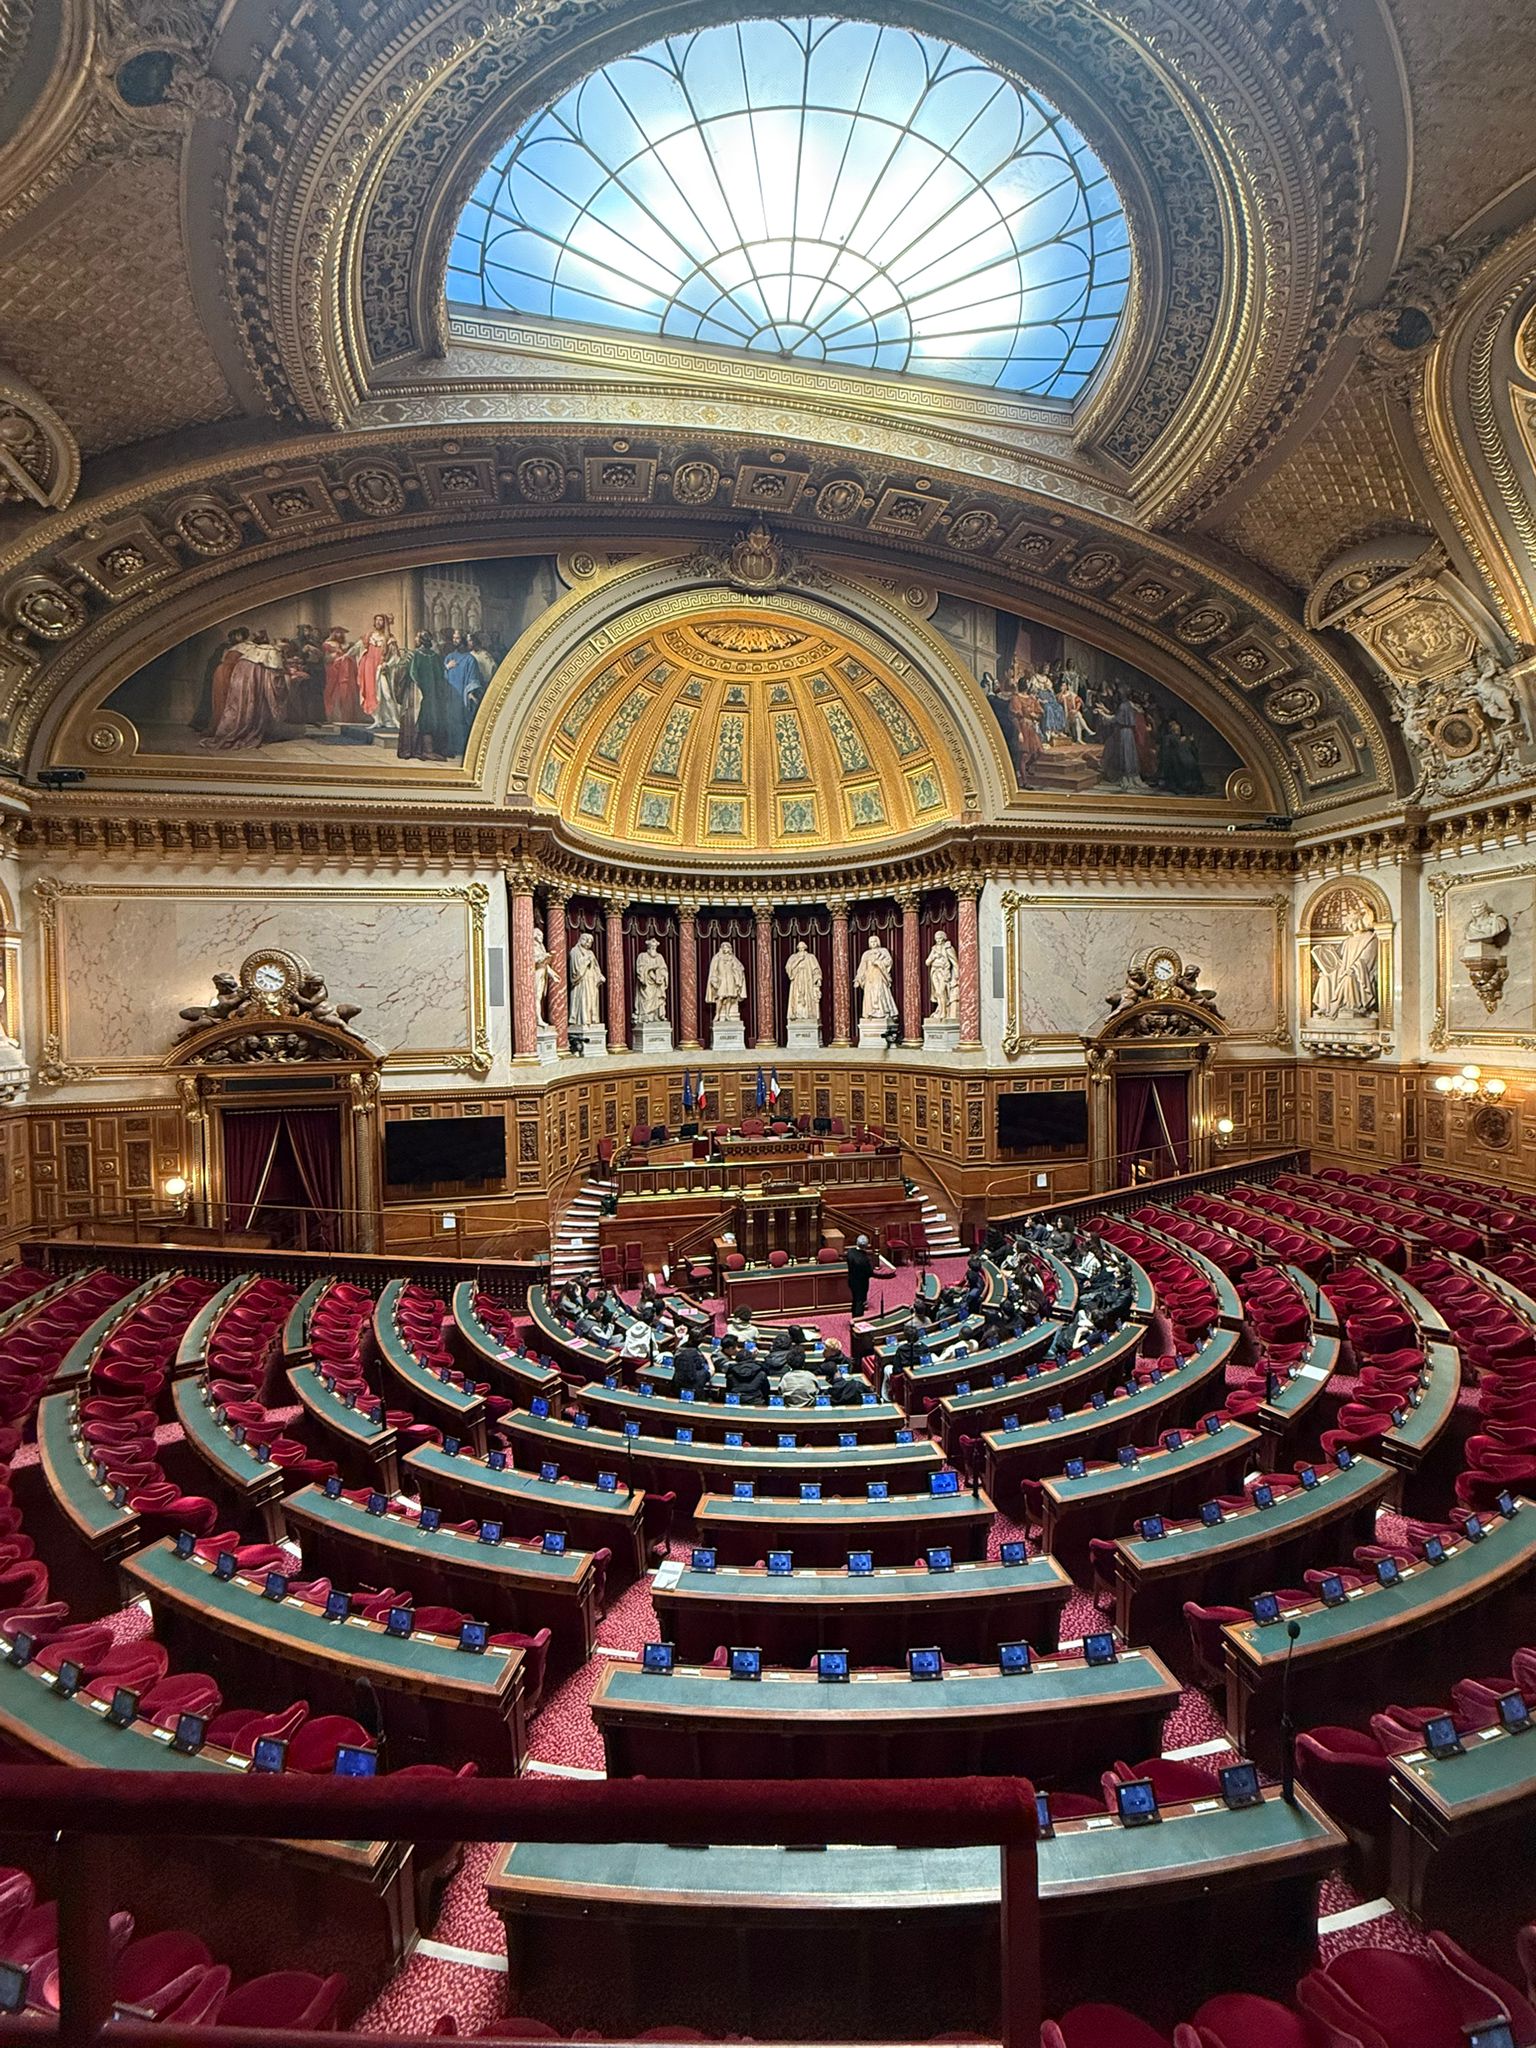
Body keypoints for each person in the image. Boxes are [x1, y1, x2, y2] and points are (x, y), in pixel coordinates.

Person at [845, 1233, 874, 1317]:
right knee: (859, 1301)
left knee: (854, 1299)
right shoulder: (865, 1258)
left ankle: (853, 1316)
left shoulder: (850, 1252)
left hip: (851, 1281)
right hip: (862, 1283)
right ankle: (858, 1319)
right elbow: (869, 1273)